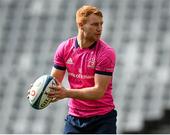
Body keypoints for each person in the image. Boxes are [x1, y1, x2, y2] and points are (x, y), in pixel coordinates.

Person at [47, 5, 117, 134]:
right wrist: (40, 91)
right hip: (74, 118)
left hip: (102, 119)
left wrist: (67, 93)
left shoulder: (106, 53)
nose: (100, 28)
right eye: (95, 24)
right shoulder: (64, 48)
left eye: (101, 24)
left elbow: (98, 92)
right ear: (81, 25)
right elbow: (54, 83)